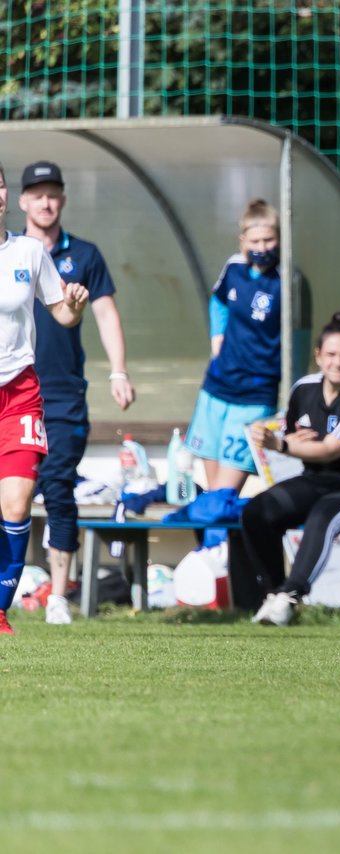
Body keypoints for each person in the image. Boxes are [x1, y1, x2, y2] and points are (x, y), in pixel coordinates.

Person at [20, 161, 136, 626]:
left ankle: (58, 596)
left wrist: (119, 371)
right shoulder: (13, 253)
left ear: (62, 200)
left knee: (58, 488)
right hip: (13, 391)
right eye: (37, 194)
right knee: (14, 491)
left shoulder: (84, 255)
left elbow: (106, 314)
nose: (46, 202)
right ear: (23, 201)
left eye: (53, 194)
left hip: (65, 394)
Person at [244, 312, 340, 626]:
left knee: (324, 512)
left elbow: (328, 451)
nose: (338, 363)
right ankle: (273, 596)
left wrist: (280, 445)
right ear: (318, 356)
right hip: (315, 480)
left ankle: (290, 596)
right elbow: (293, 434)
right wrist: (280, 438)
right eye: (331, 354)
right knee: (257, 511)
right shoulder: (303, 389)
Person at [0, 161, 89, 636]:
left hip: (19, 394)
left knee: (16, 505)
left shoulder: (30, 252)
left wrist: (73, 306)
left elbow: (62, 314)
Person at [184, 199, 285, 495]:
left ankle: (215, 542)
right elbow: (218, 301)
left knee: (222, 495)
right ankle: (214, 544)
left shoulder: (285, 280)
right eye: (255, 241)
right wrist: (217, 338)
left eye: (269, 240)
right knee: (211, 494)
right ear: (243, 240)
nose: (262, 247)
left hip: (254, 397)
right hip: (216, 388)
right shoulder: (234, 267)